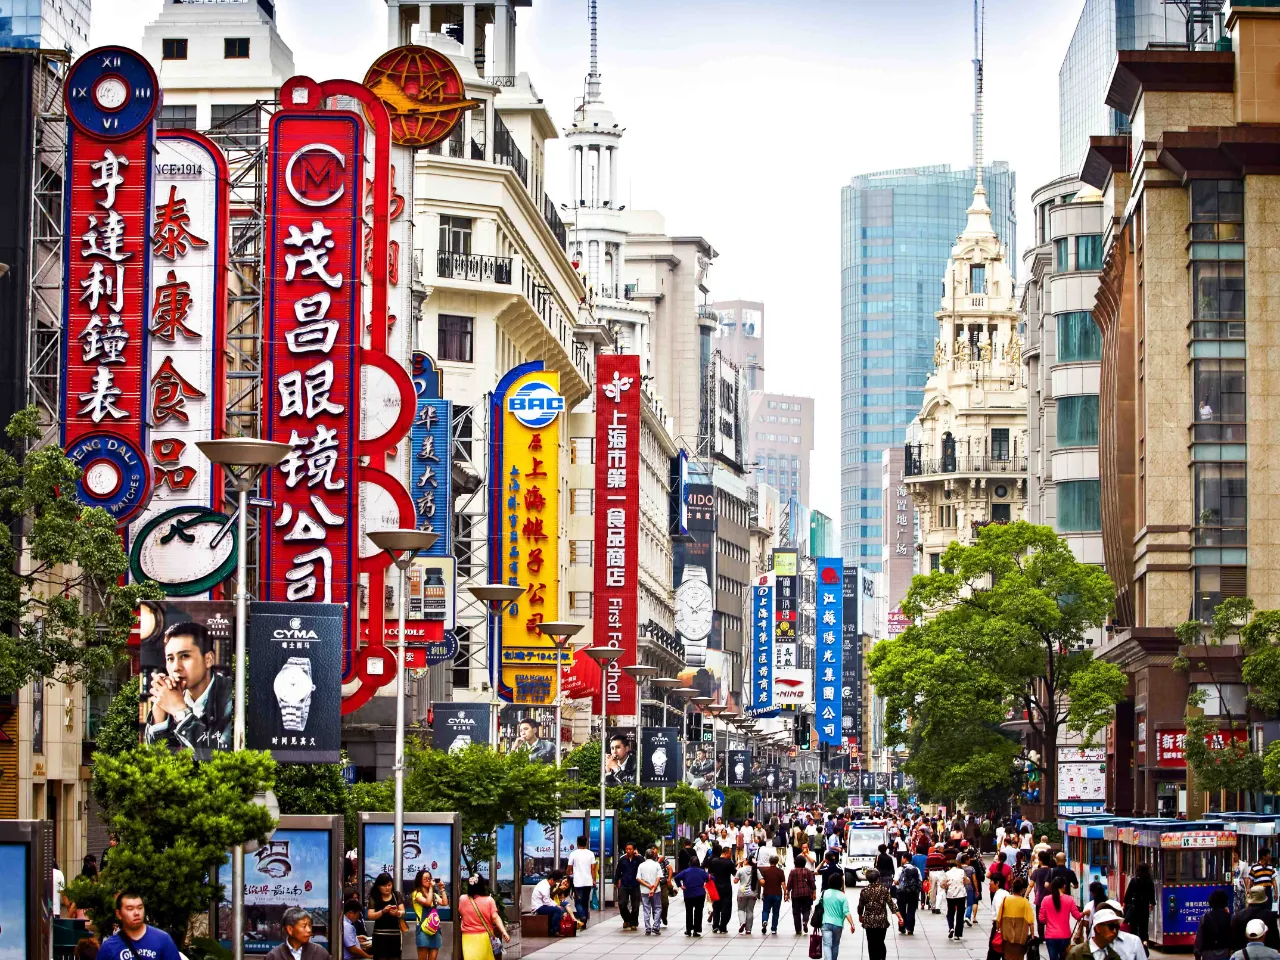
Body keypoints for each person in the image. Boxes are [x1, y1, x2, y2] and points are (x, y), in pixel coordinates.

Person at [143, 621, 233, 753]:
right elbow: (156, 765)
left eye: (184, 656)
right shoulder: (171, 698)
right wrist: (159, 712)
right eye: (170, 658)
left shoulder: (231, 695)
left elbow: (220, 759)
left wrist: (180, 711)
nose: (175, 667)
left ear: (208, 659)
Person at [97, 892, 182, 960]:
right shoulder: (109, 947)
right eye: (130, 909)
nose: (136, 913)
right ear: (118, 914)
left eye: (140, 908)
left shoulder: (163, 939)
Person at [458, 876, 509, 960]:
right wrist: (504, 931)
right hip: (484, 936)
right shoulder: (489, 900)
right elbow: (495, 917)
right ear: (482, 886)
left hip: (467, 937)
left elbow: (461, 913)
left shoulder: (462, 899)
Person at [857, 869, 900, 960]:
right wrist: (900, 917)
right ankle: (881, 957)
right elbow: (892, 905)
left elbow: (860, 906)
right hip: (881, 922)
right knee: (880, 942)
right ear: (878, 878)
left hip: (869, 922)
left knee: (871, 943)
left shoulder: (864, 891)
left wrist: (860, 916)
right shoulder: (884, 890)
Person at [1039, 877, 1083, 960]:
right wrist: (1084, 913)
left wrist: (1049, 922)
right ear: (1064, 886)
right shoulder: (1069, 899)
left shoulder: (1045, 899)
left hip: (1050, 936)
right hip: (1065, 936)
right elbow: (1077, 916)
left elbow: (1041, 918)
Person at [367, 873, 408, 960]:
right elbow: (370, 915)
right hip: (379, 935)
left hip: (395, 935)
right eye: (384, 886)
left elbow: (403, 911)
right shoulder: (374, 897)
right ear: (379, 886)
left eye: (389, 885)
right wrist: (383, 911)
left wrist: (397, 913)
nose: (387, 888)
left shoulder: (396, 895)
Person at [411, 869, 449, 960]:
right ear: (420, 880)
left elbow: (445, 902)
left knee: (433, 957)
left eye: (429, 878)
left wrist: (442, 888)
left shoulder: (434, 895)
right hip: (422, 928)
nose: (428, 881)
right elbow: (428, 903)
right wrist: (431, 888)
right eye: (426, 879)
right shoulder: (416, 894)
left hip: (435, 929)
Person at [264, 907, 329, 960]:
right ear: (290, 930)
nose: (309, 930)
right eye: (304, 926)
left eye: (309, 925)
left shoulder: (320, 952)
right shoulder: (273, 956)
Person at [819, 871, 857, 960]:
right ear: (840, 883)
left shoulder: (824, 893)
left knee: (827, 945)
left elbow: (817, 906)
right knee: (835, 946)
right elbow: (846, 912)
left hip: (825, 923)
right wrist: (852, 924)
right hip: (838, 925)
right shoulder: (842, 896)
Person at [996, 877, 1037, 960]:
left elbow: (998, 919)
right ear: (1022, 890)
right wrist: (1032, 935)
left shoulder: (1005, 900)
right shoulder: (1025, 902)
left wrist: (998, 930)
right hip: (1020, 938)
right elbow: (1031, 922)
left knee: (1007, 956)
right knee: (1019, 957)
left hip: (1006, 936)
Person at [1233, 886, 1280, 951]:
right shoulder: (1271, 916)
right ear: (1265, 900)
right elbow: (1275, 941)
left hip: (1243, 955)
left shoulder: (1238, 916)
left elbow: (1234, 943)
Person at [1194, 890, 1235, 960]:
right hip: (1225, 953)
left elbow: (1199, 939)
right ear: (1225, 902)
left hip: (1208, 954)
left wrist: (1197, 954)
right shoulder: (1230, 918)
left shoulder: (1204, 918)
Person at [1124, 862, 1157, 947]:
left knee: (1134, 927)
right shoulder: (1149, 881)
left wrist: (1125, 905)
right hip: (1144, 907)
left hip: (1135, 907)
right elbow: (1151, 893)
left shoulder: (1134, 880)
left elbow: (1128, 894)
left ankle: (1134, 945)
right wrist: (1152, 903)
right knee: (1144, 927)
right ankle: (1144, 943)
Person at [674, 856, 709, 937]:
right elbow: (710, 878)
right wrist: (705, 884)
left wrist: (680, 886)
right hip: (700, 894)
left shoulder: (685, 871)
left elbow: (676, 878)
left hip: (688, 894)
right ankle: (696, 930)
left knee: (689, 912)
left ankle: (688, 930)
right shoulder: (701, 871)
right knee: (698, 912)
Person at [566, 835, 597, 928]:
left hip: (578, 882)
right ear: (586, 843)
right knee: (585, 901)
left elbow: (569, 868)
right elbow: (593, 869)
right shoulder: (591, 854)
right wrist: (594, 880)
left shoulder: (573, 854)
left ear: (577, 843)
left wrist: (568, 876)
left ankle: (582, 917)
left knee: (578, 902)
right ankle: (584, 921)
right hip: (588, 882)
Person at [786, 851, 816, 935]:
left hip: (795, 894)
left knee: (796, 912)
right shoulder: (808, 871)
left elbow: (789, 883)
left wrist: (787, 893)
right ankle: (805, 921)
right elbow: (812, 883)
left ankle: (798, 930)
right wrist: (814, 893)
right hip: (806, 894)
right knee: (806, 909)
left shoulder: (792, 871)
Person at [707, 844, 736, 933]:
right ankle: (723, 926)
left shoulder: (714, 861)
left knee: (716, 906)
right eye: (730, 853)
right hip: (726, 887)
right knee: (726, 907)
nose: (730, 855)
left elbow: (710, 873)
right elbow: (735, 873)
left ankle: (715, 925)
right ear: (726, 853)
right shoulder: (729, 862)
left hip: (715, 886)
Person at [614, 842, 642, 931]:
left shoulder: (638, 859)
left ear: (634, 850)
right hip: (624, 884)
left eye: (630, 849)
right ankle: (627, 919)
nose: (628, 851)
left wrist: (638, 856)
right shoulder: (622, 859)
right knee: (622, 904)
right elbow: (618, 871)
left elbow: (644, 865)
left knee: (635, 905)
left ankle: (633, 923)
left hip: (635, 885)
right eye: (627, 849)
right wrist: (616, 882)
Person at [530, 868, 565, 938]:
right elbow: (547, 901)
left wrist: (556, 905)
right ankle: (554, 931)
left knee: (558, 909)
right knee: (558, 910)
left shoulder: (545, 883)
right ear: (552, 880)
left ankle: (552, 929)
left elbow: (548, 899)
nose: (555, 884)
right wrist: (556, 906)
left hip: (541, 905)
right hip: (538, 907)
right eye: (555, 882)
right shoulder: (545, 886)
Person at [636, 850, 664, 936]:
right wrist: (653, 887)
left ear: (645, 856)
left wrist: (648, 886)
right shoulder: (657, 865)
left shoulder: (641, 865)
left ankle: (647, 928)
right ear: (654, 856)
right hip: (656, 890)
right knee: (657, 908)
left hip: (644, 890)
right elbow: (659, 877)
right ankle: (656, 926)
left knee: (646, 909)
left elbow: (638, 878)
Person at [944, 854, 971, 940]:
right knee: (960, 914)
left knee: (950, 913)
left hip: (951, 895)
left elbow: (943, 885)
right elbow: (966, 882)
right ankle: (958, 934)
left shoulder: (947, 873)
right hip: (961, 895)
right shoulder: (961, 872)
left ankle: (951, 927)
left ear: (949, 867)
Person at [894, 851, 921, 935]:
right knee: (911, 910)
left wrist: (902, 885)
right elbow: (920, 880)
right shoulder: (916, 869)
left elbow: (895, 882)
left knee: (901, 910)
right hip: (913, 892)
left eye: (902, 858)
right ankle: (910, 929)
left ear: (905, 859)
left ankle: (902, 927)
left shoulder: (900, 869)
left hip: (902, 893)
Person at [758, 853, 785, 935]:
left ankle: (765, 920)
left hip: (767, 893)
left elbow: (762, 882)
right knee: (776, 912)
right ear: (777, 862)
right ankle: (773, 928)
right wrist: (786, 893)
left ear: (769, 861)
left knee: (766, 910)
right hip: (777, 894)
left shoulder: (765, 871)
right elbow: (783, 884)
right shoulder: (780, 871)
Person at [734, 854, 759, 935]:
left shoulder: (741, 870)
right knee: (750, 910)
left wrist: (738, 865)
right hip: (752, 892)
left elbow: (735, 881)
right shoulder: (756, 870)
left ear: (747, 861)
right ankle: (748, 929)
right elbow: (762, 881)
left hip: (742, 891)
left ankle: (742, 922)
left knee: (741, 909)